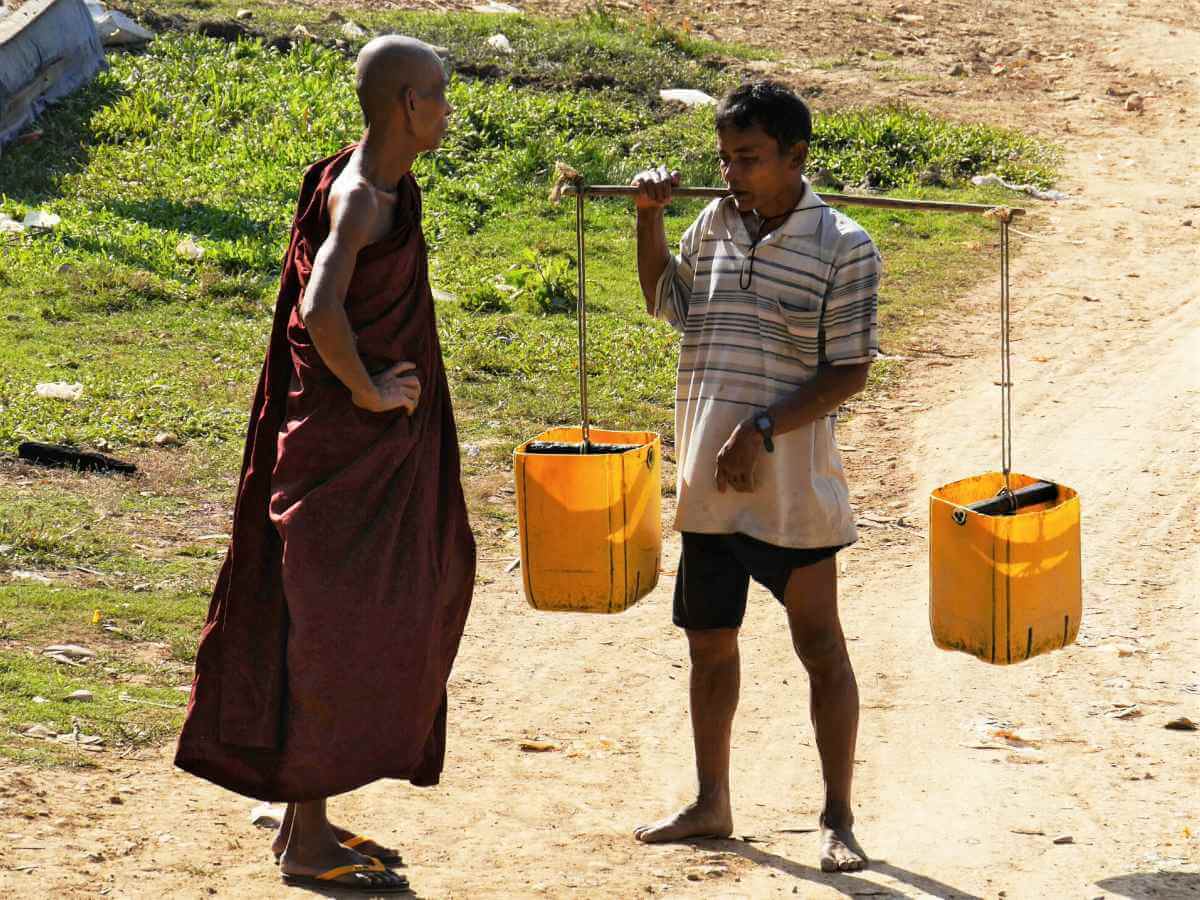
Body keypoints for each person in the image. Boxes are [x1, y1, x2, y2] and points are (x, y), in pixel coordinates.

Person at [175, 36, 476, 893]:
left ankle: (312, 820)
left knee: (346, 625)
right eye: (440, 95)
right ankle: (305, 844)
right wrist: (374, 393)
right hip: (344, 458)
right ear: (406, 106)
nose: (448, 109)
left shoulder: (372, 181)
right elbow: (320, 307)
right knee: (334, 631)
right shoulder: (361, 197)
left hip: (366, 457)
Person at [629, 80, 879, 873]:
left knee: (818, 646)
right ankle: (713, 802)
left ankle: (837, 816)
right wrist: (649, 219)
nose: (733, 173)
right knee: (710, 648)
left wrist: (763, 427)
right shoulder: (715, 223)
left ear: (796, 156)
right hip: (709, 483)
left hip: (793, 491)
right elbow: (667, 301)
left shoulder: (845, 244)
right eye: (726, 158)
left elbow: (849, 371)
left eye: (750, 158)